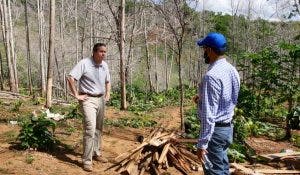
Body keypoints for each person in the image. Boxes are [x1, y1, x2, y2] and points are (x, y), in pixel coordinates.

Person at [195, 32, 240, 175]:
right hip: (227, 129)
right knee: (222, 167)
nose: (204, 54)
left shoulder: (211, 76)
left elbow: (209, 115)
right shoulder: (232, 70)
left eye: (204, 50)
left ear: (209, 50)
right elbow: (229, 99)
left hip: (215, 132)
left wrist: (202, 144)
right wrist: (202, 99)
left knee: (214, 172)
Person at [67, 43, 111, 172]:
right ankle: (87, 160)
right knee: (90, 129)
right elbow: (70, 77)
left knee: (98, 128)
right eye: (101, 51)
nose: (104, 54)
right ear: (94, 52)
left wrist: (107, 94)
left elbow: (108, 81)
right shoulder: (84, 63)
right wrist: (76, 95)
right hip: (88, 100)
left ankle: (96, 153)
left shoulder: (104, 65)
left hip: (101, 99)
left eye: (105, 52)